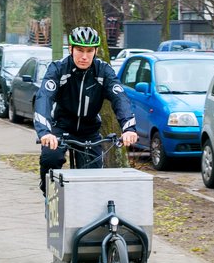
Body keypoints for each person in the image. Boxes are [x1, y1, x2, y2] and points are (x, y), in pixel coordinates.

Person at [33, 26, 139, 195]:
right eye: (80, 50)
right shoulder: (58, 69)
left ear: (96, 51)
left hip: (89, 131)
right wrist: (44, 132)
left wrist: (128, 128)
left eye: (89, 51)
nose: (84, 56)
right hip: (61, 128)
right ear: (71, 49)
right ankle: (49, 192)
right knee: (50, 158)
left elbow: (120, 98)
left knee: (93, 182)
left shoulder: (103, 70)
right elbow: (44, 98)